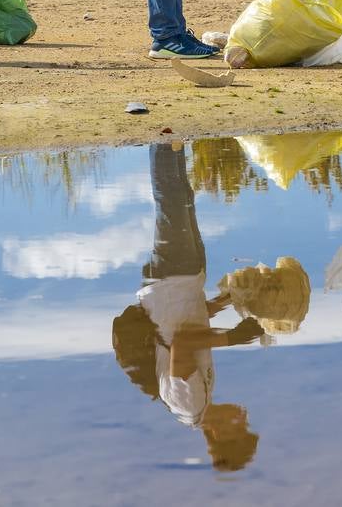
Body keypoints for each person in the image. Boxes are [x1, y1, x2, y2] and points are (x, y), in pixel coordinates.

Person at [112, 142, 262, 472]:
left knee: (171, 201)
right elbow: (189, 326)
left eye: (242, 427)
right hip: (185, 280)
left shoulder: (188, 404)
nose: (243, 417)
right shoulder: (201, 400)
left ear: (221, 435)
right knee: (183, 197)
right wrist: (228, 301)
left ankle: (162, 135)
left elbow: (182, 344)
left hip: (169, 280)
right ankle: (172, 136)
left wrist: (233, 338)